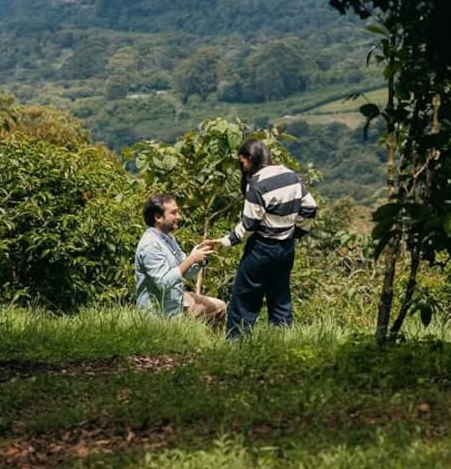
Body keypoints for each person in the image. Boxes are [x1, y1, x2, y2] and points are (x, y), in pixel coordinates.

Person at [213, 139, 317, 340]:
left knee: (245, 299)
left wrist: (227, 240)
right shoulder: (290, 175)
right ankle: (281, 342)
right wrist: (298, 231)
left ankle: (236, 344)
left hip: (262, 248)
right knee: (280, 297)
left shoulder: (257, 183)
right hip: (286, 247)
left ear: (250, 158)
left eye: (242, 162)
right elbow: (310, 206)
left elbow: (249, 225)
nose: (243, 167)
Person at [135, 193, 227, 327]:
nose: (179, 217)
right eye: (174, 213)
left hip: (177, 301)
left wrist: (200, 258)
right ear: (158, 217)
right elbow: (163, 283)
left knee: (219, 307)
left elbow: (187, 273)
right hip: (159, 312)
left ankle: (210, 341)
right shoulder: (150, 245)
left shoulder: (168, 238)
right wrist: (191, 259)